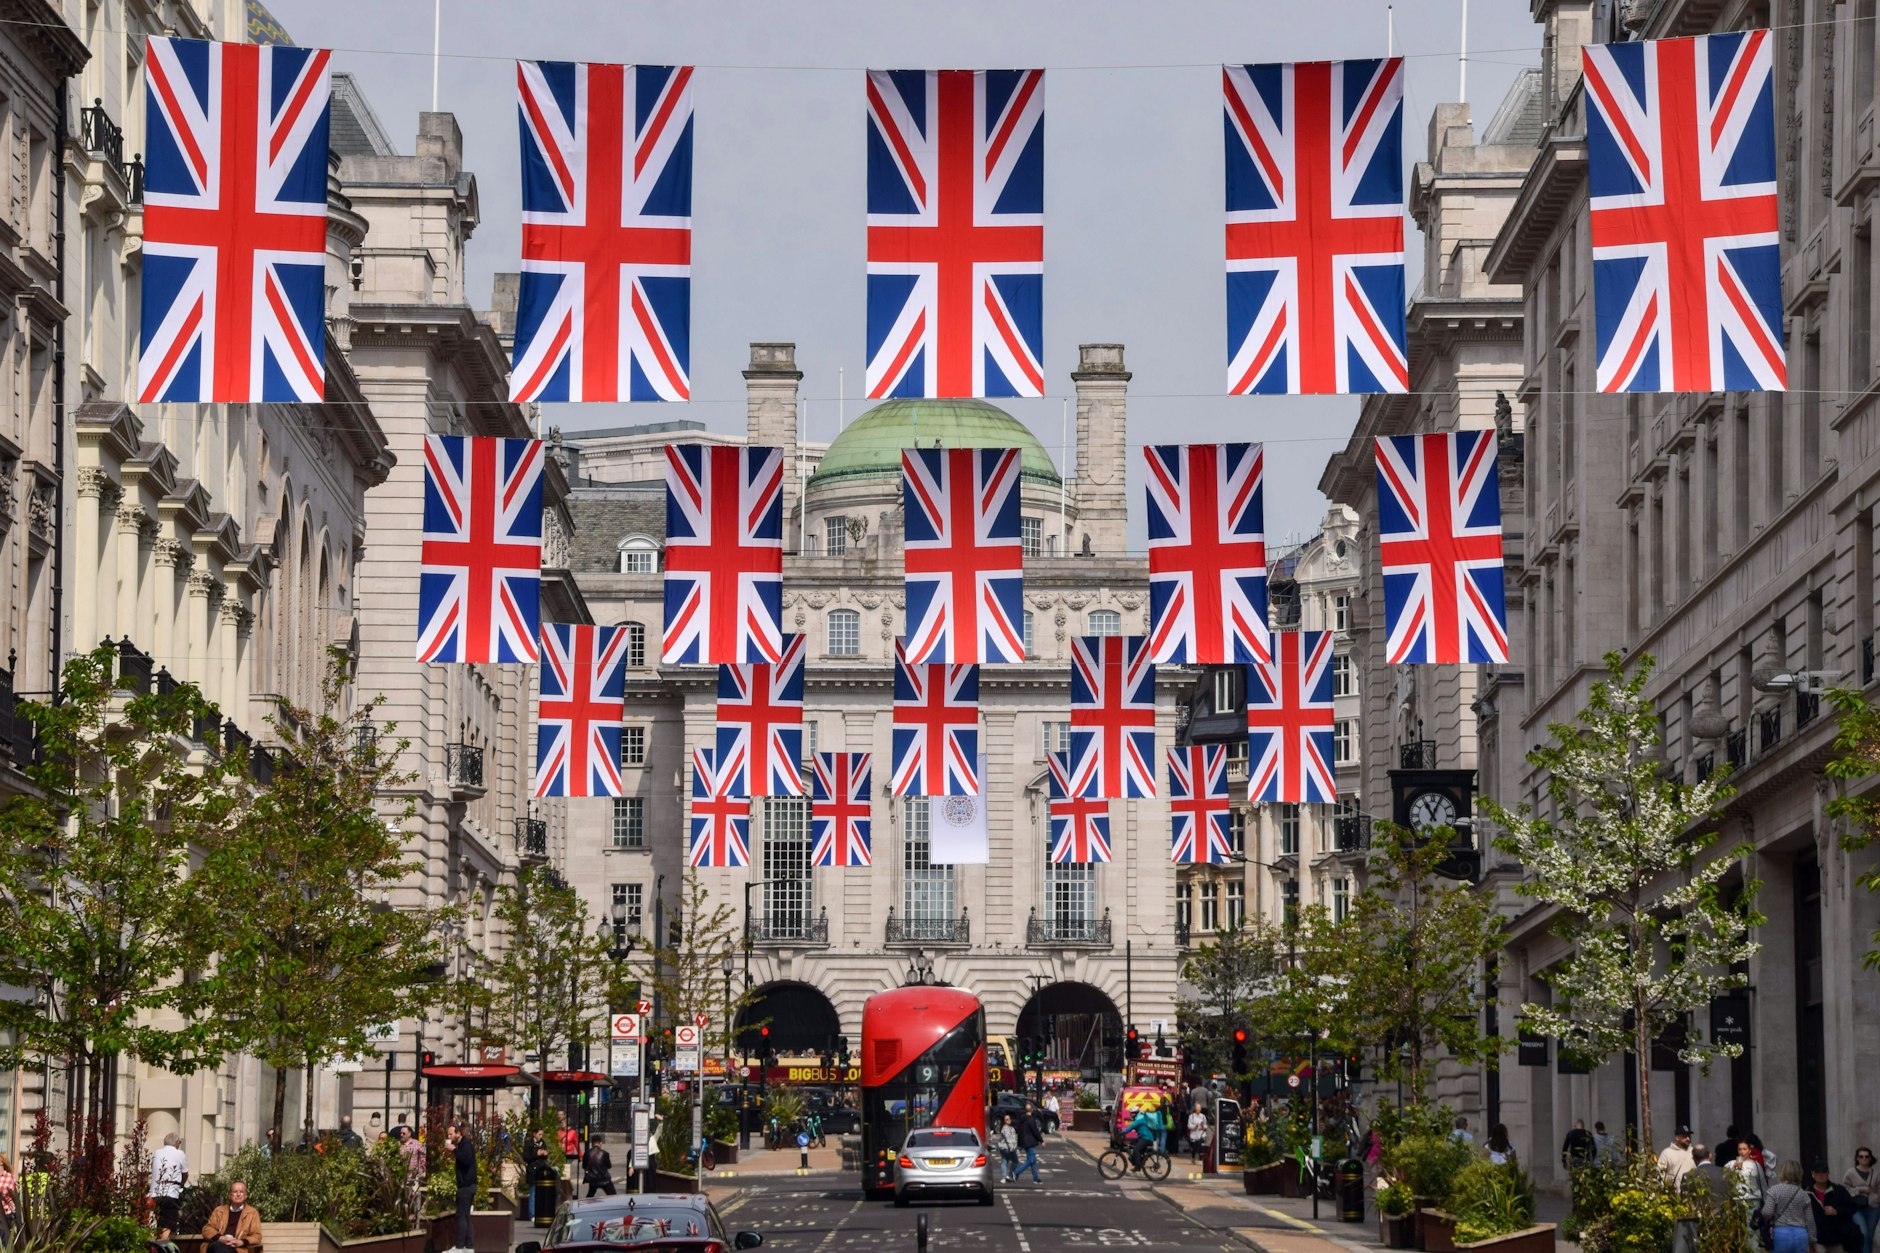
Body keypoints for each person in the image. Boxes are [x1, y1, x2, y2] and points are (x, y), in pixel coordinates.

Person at [1763, 1160, 1820, 1253]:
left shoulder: (1774, 1190)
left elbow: (1767, 1212)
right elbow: (1810, 1220)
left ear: (1782, 1172)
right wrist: (1812, 1240)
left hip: (1780, 1233)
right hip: (1800, 1234)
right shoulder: (1803, 1194)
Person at [1811, 1161, 1862, 1253]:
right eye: (1818, 1172)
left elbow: (1852, 1208)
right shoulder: (1807, 1193)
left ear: (1828, 1174)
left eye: (1823, 1172)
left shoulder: (1839, 1190)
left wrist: (1836, 1211)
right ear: (1813, 1174)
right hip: (1817, 1240)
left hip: (1837, 1239)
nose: (1821, 1175)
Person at [202, 1180, 264, 1252]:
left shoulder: (252, 1213)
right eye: (235, 1192)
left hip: (237, 1249)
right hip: (217, 1245)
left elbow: (257, 1236)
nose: (238, 1194)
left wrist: (241, 1242)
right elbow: (207, 1229)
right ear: (229, 1195)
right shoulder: (219, 1211)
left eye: (241, 1192)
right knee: (218, 1246)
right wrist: (220, 1238)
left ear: (245, 1195)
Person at [150, 1132, 189, 1240]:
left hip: (155, 1193)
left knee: (159, 1223)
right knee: (168, 1224)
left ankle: (156, 1247)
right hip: (170, 1193)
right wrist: (181, 1184)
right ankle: (163, 1247)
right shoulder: (179, 1153)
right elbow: (185, 1173)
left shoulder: (156, 1152)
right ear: (176, 1142)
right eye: (179, 1142)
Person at [1844, 1147, 1879, 1253]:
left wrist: (1875, 1197)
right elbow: (1845, 1189)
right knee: (1864, 1233)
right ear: (1857, 1158)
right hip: (1856, 1208)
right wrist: (1860, 1189)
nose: (1864, 1158)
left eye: (1866, 1156)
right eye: (1861, 1156)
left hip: (1873, 1208)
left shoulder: (1877, 1173)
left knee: (1869, 1236)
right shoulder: (1850, 1173)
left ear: (1870, 1158)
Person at [448, 1124, 476, 1253]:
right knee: (465, 1216)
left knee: (461, 1216)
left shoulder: (465, 1145)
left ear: (458, 1133)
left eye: (451, 1134)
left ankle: (459, 1246)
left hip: (466, 1186)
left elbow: (466, 1159)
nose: (449, 1137)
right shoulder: (462, 1145)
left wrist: (453, 1150)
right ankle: (468, 1246)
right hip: (467, 1185)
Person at [1729, 1138, 1770, 1219]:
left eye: (1744, 1149)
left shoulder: (1756, 1165)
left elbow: (1762, 1183)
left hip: (1753, 1199)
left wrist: (1767, 1202)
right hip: (1738, 1199)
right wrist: (1734, 1168)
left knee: (1752, 1225)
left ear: (1749, 1151)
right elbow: (1726, 1179)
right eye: (1740, 1149)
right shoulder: (1731, 1164)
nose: (1742, 1152)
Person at [1014, 1102, 1044, 1184]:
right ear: (1032, 1110)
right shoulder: (1031, 1120)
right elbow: (1036, 1131)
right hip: (1030, 1142)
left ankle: (1036, 1178)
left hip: (1023, 1142)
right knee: (1030, 1160)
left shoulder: (1021, 1119)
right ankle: (1016, 1172)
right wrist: (1042, 1141)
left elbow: (1018, 1130)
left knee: (1033, 1160)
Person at [995, 1114, 1020, 1183]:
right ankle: (1009, 1174)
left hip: (1003, 1148)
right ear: (1004, 1121)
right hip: (1007, 1148)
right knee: (1015, 1161)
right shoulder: (1006, 1128)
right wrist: (1013, 1149)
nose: (1008, 1120)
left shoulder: (1009, 1128)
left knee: (1004, 1161)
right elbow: (1008, 1139)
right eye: (1006, 1119)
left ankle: (1004, 1177)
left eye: (1009, 1119)